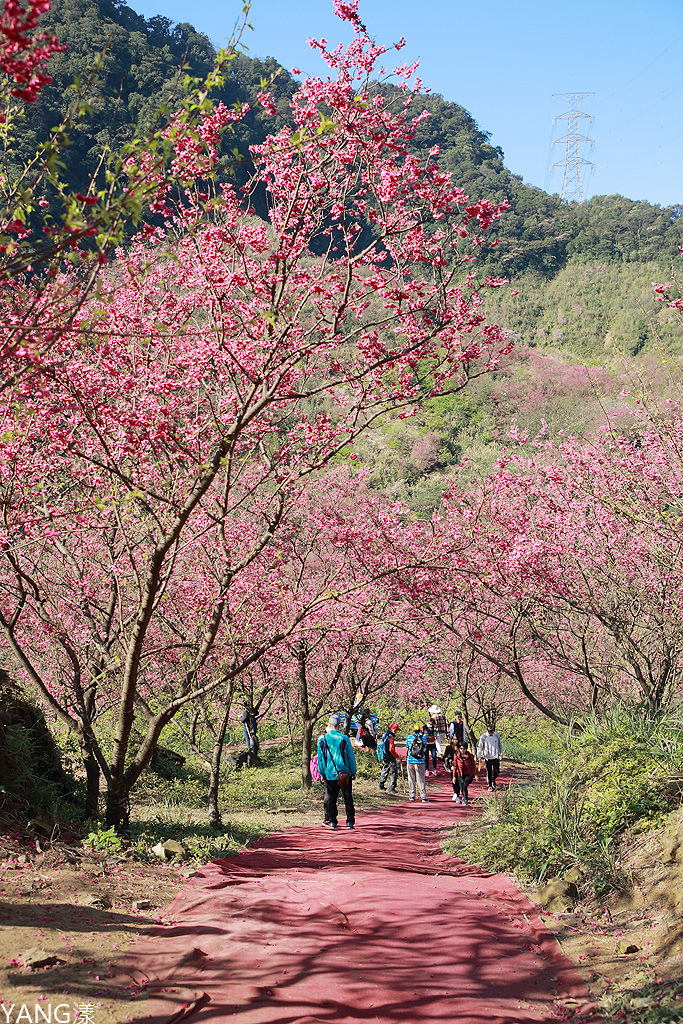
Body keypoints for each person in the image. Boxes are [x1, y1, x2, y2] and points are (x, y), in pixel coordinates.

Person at [317, 713, 358, 830]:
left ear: (329, 725)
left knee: (331, 798)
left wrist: (322, 773)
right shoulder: (344, 738)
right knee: (347, 797)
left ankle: (332, 821)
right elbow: (350, 757)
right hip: (344, 773)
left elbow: (320, 759)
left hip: (329, 773)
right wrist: (353, 771)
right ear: (339, 725)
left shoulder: (322, 739)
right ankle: (349, 822)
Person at [405, 724, 428, 802]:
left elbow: (407, 747)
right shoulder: (424, 738)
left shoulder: (409, 738)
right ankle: (423, 796)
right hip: (420, 761)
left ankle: (412, 795)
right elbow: (425, 747)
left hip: (410, 760)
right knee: (421, 779)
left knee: (411, 779)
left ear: (413, 730)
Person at [477, 725, 503, 792]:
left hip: (495, 756)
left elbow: (500, 744)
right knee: (489, 771)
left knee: (496, 771)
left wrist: (501, 754)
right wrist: (479, 756)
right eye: (489, 731)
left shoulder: (497, 735)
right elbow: (480, 746)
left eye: (491, 731)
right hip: (487, 757)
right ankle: (490, 785)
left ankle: (493, 779)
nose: (490, 733)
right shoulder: (484, 736)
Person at [454, 741, 478, 806]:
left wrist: (475, 774)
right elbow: (455, 766)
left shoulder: (470, 756)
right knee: (462, 788)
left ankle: (465, 799)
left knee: (464, 786)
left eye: (464, 749)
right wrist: (454, 777)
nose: (462, 750)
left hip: (468, 774)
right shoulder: (456, 756)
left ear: (466, 749)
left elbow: (473, 765)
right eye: (461, 749)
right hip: (460, 774)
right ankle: (464, 797)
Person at [378, 723, 400, 792]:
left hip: (385, 755)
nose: (396, 732)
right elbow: (391, 749)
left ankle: (381, 784)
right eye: (396, 730)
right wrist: (397, 756)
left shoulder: (385, 734)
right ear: (393, 729)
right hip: (390, 756)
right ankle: (392, 787)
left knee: (385, 769)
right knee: (394, 771)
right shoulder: (391, 737)